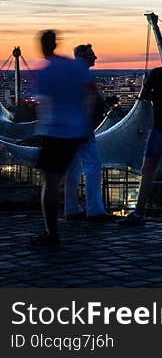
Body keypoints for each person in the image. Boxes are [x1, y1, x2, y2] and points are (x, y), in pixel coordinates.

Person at [31, 30, 97, 247]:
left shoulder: (46, 71)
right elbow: (90, 93)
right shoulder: (73, 66)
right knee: (84, 168)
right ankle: (82, 209)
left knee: (50, 184)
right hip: (79, 130)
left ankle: (53, 232)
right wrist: (85, 119)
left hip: (55, 132)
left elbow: (42, 104)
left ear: (43, 46)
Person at [119, 38, 162, 225]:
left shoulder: (156, 74)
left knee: (147, 169)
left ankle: (139, 213)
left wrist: (144, 84)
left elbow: (144, 97)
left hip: (161, 127)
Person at [64, 44, 115, 222]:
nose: (96, 57)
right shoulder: (83, 74)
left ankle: (71, 209)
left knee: (73, 168)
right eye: (92, 55)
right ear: (84, 56)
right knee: (93, 166)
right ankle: (94, 210)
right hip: (82, 128)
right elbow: (93, 97)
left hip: (66, 127)